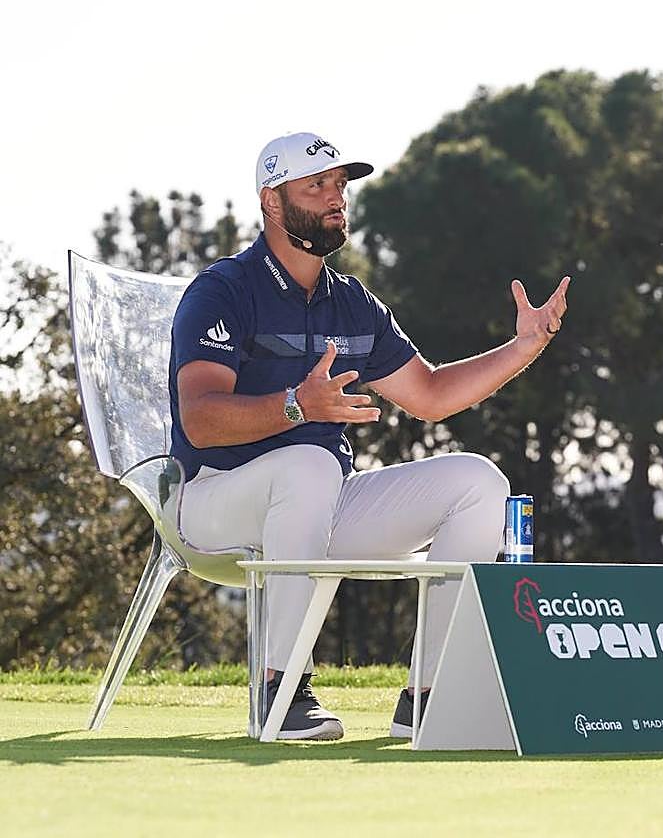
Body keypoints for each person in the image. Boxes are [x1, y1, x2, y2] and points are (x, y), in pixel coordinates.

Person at [169, 131, 569, 740]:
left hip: (320, 503)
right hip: (212, 498)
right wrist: (297, 408)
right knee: (307, 463)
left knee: (478, 483)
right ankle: (279, 690)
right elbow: (198, 416)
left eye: (340, 185)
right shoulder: (223, 289)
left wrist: (523, 347)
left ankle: (429, 695)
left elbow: (430, 396)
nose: (337, 197)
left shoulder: (352, 301)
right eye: (318, 185)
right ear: (271, 203)